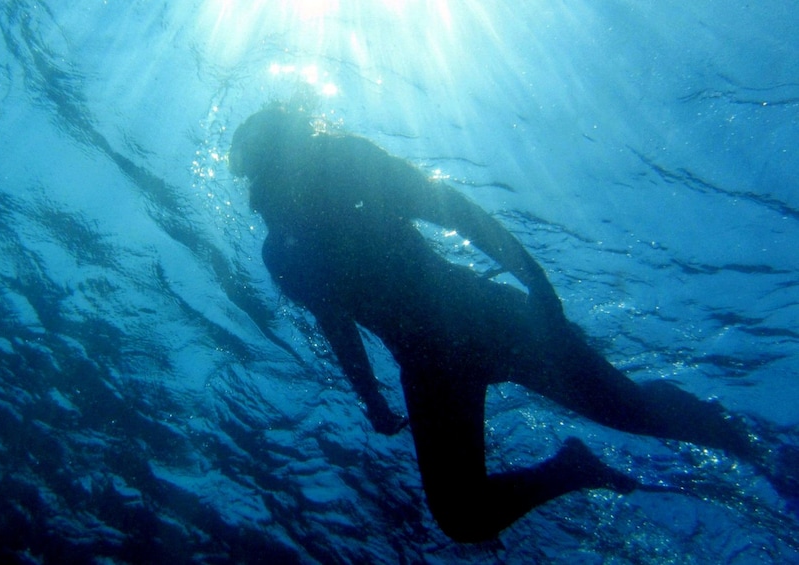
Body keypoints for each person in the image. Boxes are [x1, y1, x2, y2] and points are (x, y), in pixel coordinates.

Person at [228, 103, 785, 543]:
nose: (268, 188)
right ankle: (571, 469)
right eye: (259, 177)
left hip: (489, 320)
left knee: (635, 412)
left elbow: (454, 210)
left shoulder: (347, 165)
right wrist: (369, 397)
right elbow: (336, 326)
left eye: (270, 164)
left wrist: (535, 279)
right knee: (462, 518)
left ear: (293, 147)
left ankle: (759, 450)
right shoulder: (283, 255)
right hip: (427, 369)